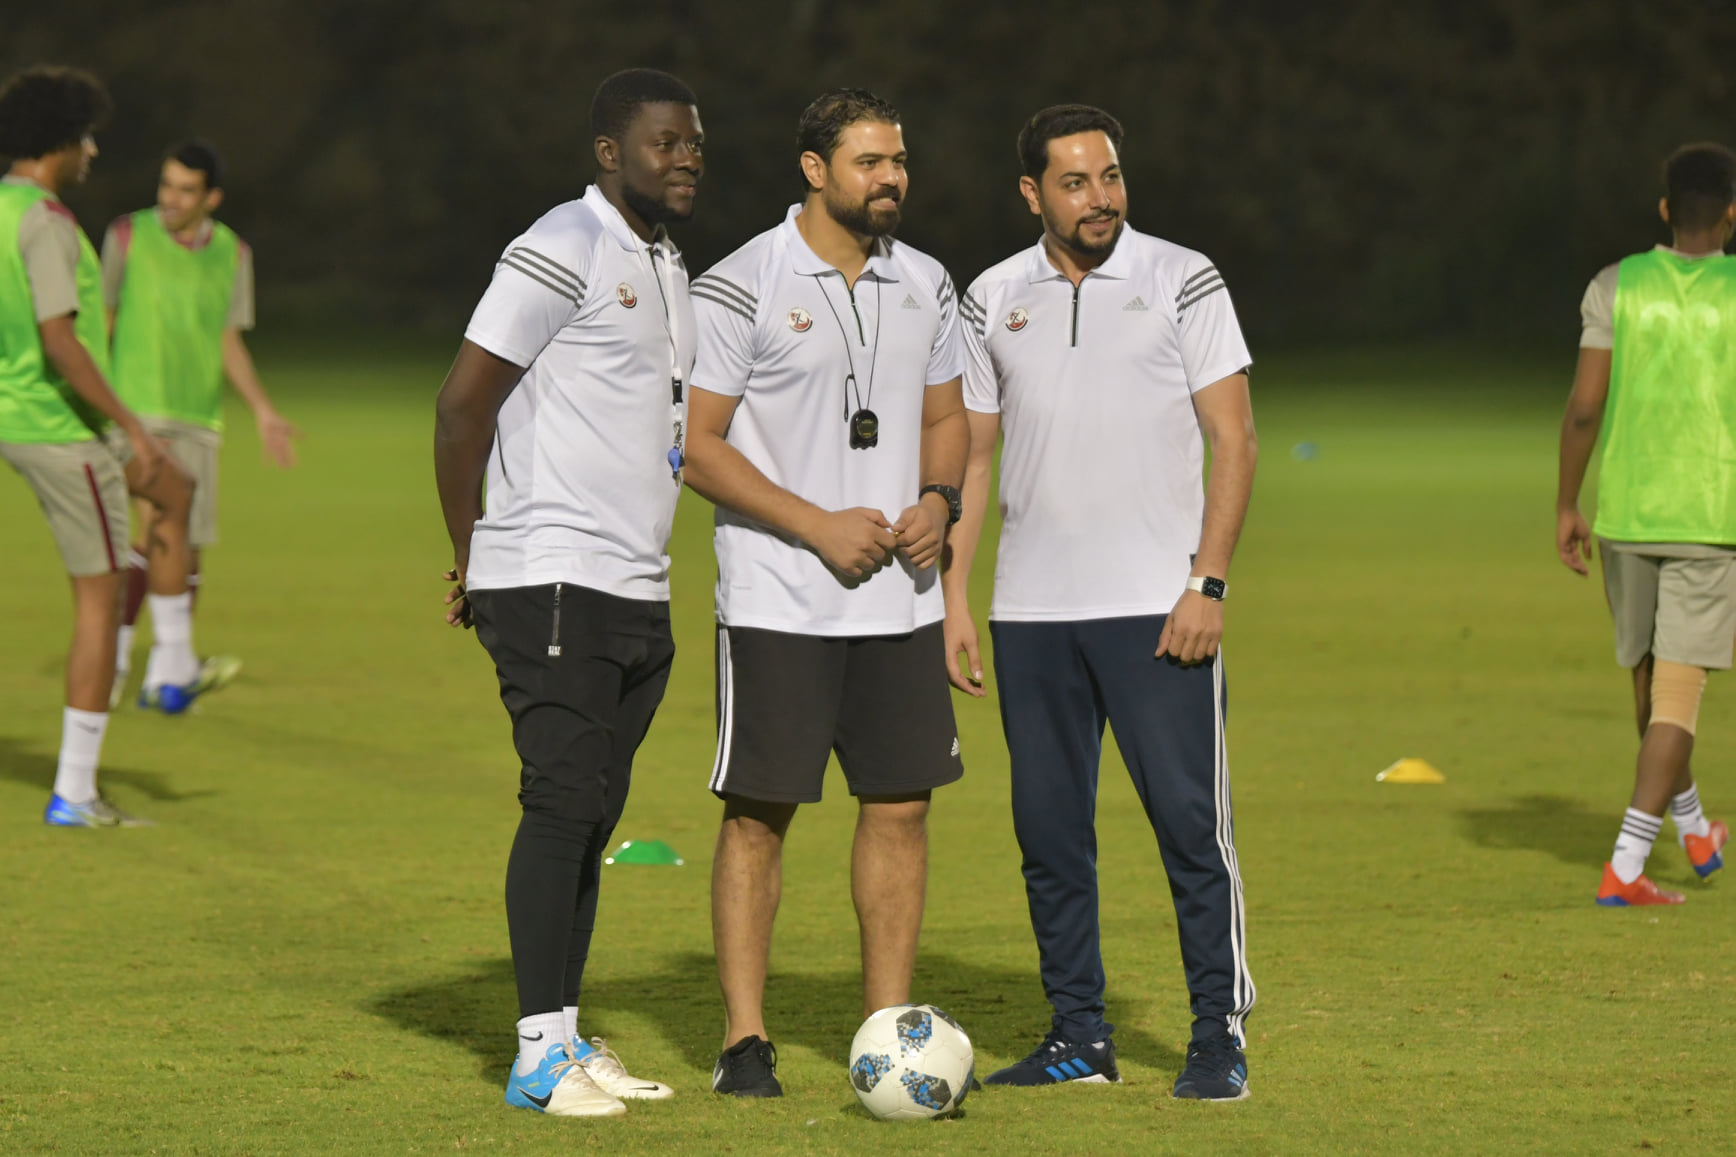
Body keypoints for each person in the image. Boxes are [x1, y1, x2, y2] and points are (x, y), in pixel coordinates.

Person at [943, 104, 1259, 1100]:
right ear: (1031, 192)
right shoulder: (991, 296)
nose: (1100, 198)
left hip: (1158, 608)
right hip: (1031, 614)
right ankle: (1078, 1035)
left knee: (1189, 827)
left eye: (1110, 176)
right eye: (1075, 182)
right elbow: (975, 458)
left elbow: (1235, 438)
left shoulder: (1181, 277)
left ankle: (1217, 1034)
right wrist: (954, 595)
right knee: (1048, 837)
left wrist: (1206, 581)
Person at [684, 88, 969, 1098]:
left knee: (900, 808)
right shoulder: (740, 283)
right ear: (814, 169)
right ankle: (744, 1041)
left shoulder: (926, 280)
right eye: (868, 162)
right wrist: (815, 524)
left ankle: (885, 1033)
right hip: (778, 600)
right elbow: (696, 445)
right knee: (759, 815)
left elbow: (947, 421)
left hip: (900, 598)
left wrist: (939, 499)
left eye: (899, 160)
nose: (891, 178)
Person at [433, 67, 702, 1117]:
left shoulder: (665, 262)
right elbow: (462, 407)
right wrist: (474, 551)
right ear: (608, 152)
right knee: (559, 806)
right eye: (664, 141)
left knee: (592, 814)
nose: (685, 157)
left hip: (633, 581)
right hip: (552, 571)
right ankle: (536, 1057)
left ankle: (566, 1032)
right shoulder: (564, 242)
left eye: (694, 142)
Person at [0, 65, 202, 827]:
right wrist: (132, 425)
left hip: (20, 415)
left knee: (174, 488)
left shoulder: (1, 207)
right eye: (84, 137)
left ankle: (174, 660)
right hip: (59, 428)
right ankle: (76, 792)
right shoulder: (48, 223)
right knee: (99, 596)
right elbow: (61, 341)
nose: (91, 151)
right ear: (57, 140)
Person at [1557, 142, 1735, 907]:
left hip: (1626, 515)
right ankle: (1627, 865)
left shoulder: (1615, 285)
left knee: (1652, 683)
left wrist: (1567, 502)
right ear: (1731, 214)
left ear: (1665, 209)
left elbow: (1585, 407)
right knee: (1677, 695)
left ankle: (1694, 830)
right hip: (1709, 516)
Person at [103, 138, 293, 707]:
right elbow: (102, 322)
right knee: (159, 530)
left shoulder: (233, 253)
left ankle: (160, 671)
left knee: (187, 549)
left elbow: (226, 338)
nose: (171, 198)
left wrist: (262, 408)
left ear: (212, 198)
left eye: (186, 190)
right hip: (138, 411)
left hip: (199, 417)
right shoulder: (127, 236)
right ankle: (127, 662)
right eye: (167, 185)